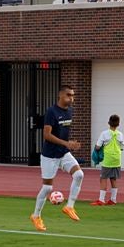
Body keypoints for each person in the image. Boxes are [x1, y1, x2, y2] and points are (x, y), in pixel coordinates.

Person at [32, 85, 84, 231]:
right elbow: (47, 135)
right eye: (69, 95)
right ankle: (36, 216)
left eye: (73, 95)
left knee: (79, 174)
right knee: (47, 188)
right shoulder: (51, 111)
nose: (71, 98)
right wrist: (67, 143)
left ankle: (69, 207)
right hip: (50, 155)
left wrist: (68, 145)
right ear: (60, 96)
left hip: (64, 153)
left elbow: (62, 133)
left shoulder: (70, 112)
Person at [91, 115, 124, 206]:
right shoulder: (120, 134)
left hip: (108, 159)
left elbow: (98, 147)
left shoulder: (104, 133)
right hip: (117, 159)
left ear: (109, 122)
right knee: (113, 179)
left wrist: (96, 150)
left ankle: (101, 200)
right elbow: (122, 148)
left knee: (103, 178)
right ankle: (113, 200)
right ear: (118, 124)